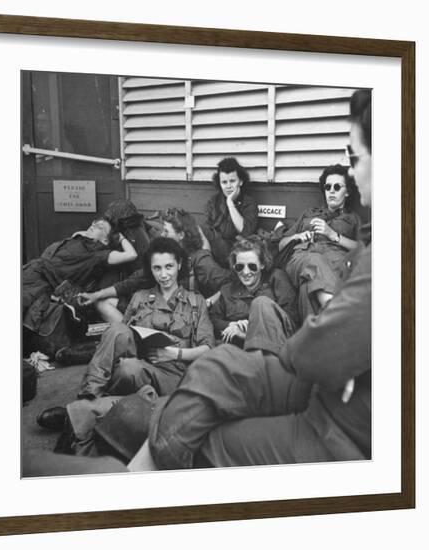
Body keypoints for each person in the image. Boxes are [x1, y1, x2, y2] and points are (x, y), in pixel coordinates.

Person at [136, 88, 372, 471]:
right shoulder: (362, 234)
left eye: (355, 159)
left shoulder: (368, 243)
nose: (352, 172)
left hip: (344, 424)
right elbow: (276, 249)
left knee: (211, 433)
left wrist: (320, 335)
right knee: (215, 368)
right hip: (318, 371)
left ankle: (148, 458)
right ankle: (153, 420)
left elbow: (316, 351)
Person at [77, 236, 215, 399]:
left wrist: (175, 353)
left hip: (173, 375)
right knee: (118, 335)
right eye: (157, 268)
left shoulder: (196, 302)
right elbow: (121, 340)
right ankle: (89, 394)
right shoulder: (140, 297)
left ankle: (95, 403)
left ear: (179, 264)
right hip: (138, 363)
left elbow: (207, 348)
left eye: (169, 267)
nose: (163, 275)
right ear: (150, 269)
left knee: (128, 370)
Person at [78, 209, 232, 323]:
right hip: (161, 310)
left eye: (166, 231)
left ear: (181, 235)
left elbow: (230, 283)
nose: (161, 235)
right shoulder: (162, 256)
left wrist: (206, 304)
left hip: (186, 319)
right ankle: (132, 338)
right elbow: (133, 281)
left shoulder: (200, 260)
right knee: (104, 302)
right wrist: (95, 295)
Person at [22, 217, 138, 356]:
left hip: (40, 281)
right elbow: (82, 232)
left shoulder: (98, 253)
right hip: (31, 272)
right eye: (94, 223)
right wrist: (96, 230)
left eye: (100, 227)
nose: (94, 226)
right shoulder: (78, 239)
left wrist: (120, 237)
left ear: (105, 240)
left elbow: (131, 255)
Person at [277, 164, 361, 320]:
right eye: (328, 187)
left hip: (335, 264)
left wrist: (333, 234)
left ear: (347, 192)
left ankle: (314, 337)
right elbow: (281, 244)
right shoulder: (310, 213)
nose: (331, 191)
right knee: (314, 262)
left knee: (307, 286)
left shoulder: (352, 218)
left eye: (337, 187)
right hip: (302, 258)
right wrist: (296, 237)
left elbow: (362, 249)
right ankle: (335, 313)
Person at [209, 236, 298, 352]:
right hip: (241, 349)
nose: (245, 272)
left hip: (278, 346)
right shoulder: (227, 290)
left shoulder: (277, 278)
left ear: (262, 264)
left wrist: (251, 327)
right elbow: (212, 320)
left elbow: (291, 318)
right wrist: (233, 325)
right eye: (240, 267)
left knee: (260, 302)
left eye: (252, 266)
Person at [202, 157, 258, 267]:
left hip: (236, 251)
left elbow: (245, 231)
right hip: (214, 249)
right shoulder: (214, 201)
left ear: (241, 181)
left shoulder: (249, 202)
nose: (228, 186)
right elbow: (207, 229)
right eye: (224, 182)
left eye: (232, 181)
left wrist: (230, 203)